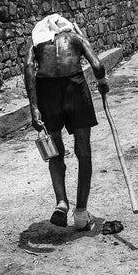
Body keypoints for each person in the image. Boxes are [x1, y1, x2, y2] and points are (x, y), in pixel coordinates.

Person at [23, 14, 109, 230]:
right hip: (75, 87)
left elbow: (28, 67)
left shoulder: (37, 41)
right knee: (84, 151)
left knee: (55, 151)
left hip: (47, 92)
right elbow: (97, 66)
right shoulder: (75, 38)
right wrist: (102, 83)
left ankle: (61, 202)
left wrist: (34, 107)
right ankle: (81, 213)